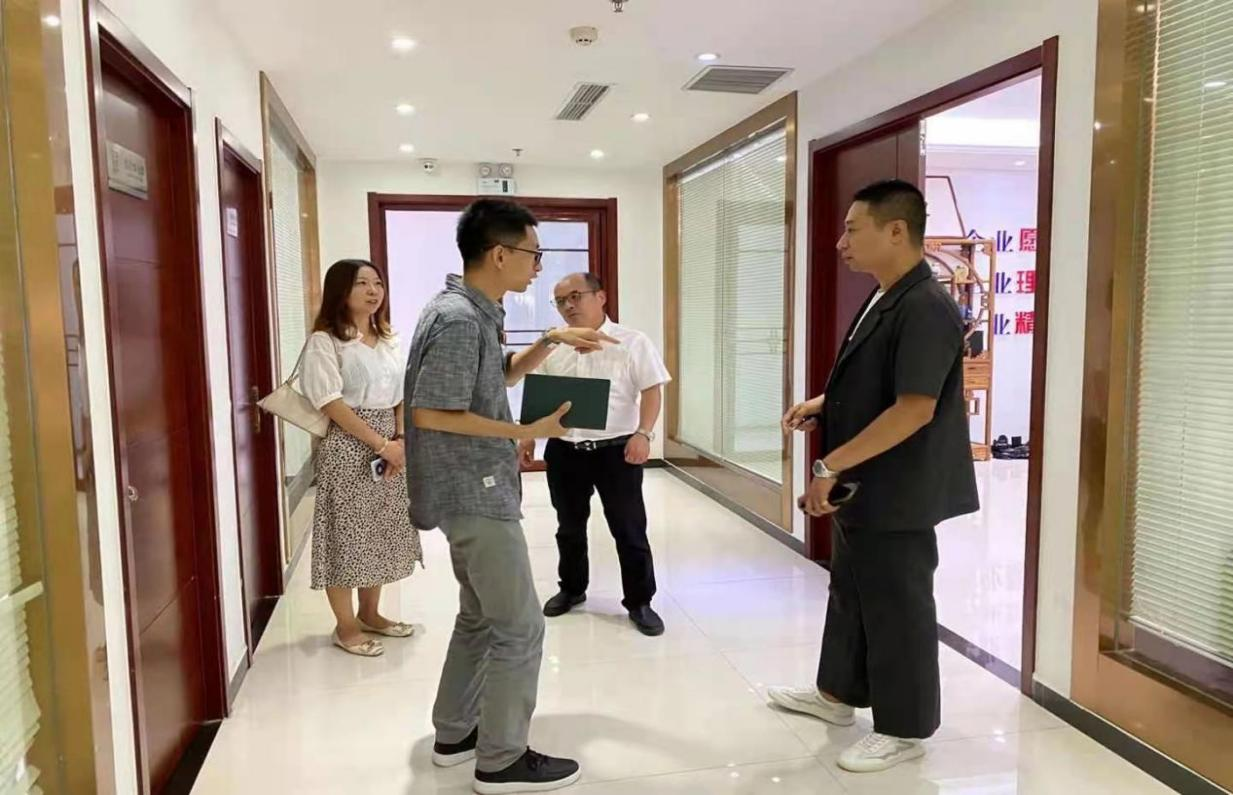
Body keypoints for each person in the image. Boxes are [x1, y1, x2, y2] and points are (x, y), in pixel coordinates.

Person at [404, 198, 615, 794]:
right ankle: (501, 760)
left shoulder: (468, 311)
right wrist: (524, 430)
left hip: (469, 490)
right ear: (500, 254)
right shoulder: (459, 319)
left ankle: (455, 734)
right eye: (533, 254)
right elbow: (431, 411)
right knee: (521, 628)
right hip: (476, 492)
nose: (538, 266)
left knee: (478, 616)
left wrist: (549, 339)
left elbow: (497, 374)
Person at [767, 180, 978, 773]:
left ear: (896, 231)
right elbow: (878, 382)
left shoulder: (926, 306)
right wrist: (824, 402)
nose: (841, 243)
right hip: (869, 483)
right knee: (852, 591)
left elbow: (914, 409)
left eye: (852, 230)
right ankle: (837, 695)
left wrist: (829, 464)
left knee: (898, 605)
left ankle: (904, 728)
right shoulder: (886, 294)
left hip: (900, 489)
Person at [514, 273, 671, 636]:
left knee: (629, 528)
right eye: (560, 301)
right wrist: (527, 437)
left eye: (576, 296)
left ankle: (640, 601)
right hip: (565, 451)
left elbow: (652, 390)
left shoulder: (632, 341)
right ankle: (572, 588)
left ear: (600, 297)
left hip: (616, 451)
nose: (568, 306)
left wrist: (643, 434)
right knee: (568, 527)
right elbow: (540, 393)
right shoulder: (553, 345)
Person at [300, 258, 422, 658]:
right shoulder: (325, 341)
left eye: (377, 283)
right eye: (361, 284)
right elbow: (330, 402)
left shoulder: (389, 338)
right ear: (341, 291)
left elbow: (402, 392)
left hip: (391, 443)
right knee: (346, 536)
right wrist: (382, 445)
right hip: (348, 446)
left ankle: (370, 613)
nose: (373, 291)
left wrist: (398, 439)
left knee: (381, 531)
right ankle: (346, 626)